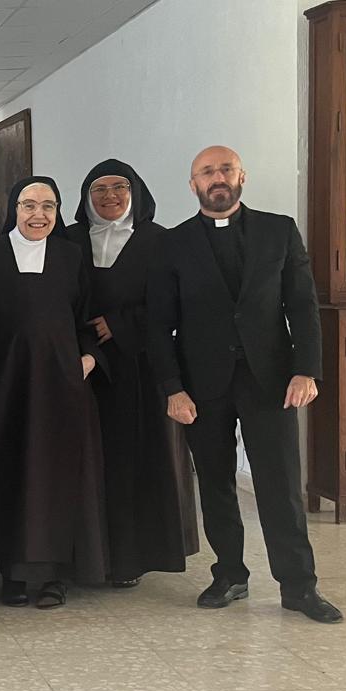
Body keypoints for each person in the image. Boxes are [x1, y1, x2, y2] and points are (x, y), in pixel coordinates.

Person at [147, 145, 340, 622]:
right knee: (214, 483)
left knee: (281, 486)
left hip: (270, 380)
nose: (218, 178)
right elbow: (157, 324)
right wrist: (172, 387)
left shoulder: (278, 231)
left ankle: (298, 586)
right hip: (201, 385)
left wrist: (306, 369)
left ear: (242, 177)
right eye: (207, 172)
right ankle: (230, 574)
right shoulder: (172, 244)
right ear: (192, 185)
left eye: (225, 169)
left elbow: (302, 305)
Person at [0, 178, 108, 608]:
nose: (38, 214)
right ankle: (13, 573)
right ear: (14, 209)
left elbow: (86, 318)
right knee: (11, 471)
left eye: (49, 206)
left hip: (62, 388)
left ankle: (53, 575)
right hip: (6, 387)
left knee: (56, 477)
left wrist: (86, 359)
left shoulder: (70, 255)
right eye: (29, 205)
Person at [68, 161, 198, 588]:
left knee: (134, 462)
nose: (109, 196)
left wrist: (119, 324)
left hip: (139, 367)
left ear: (135, 191)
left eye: (119, 187)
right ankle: (85, 555)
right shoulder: (68, 240)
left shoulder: (159, 241)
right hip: (83, 367)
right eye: (99, 189)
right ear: (86, 197)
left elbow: (174, 303)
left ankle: (129, 560)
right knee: (88, 460)